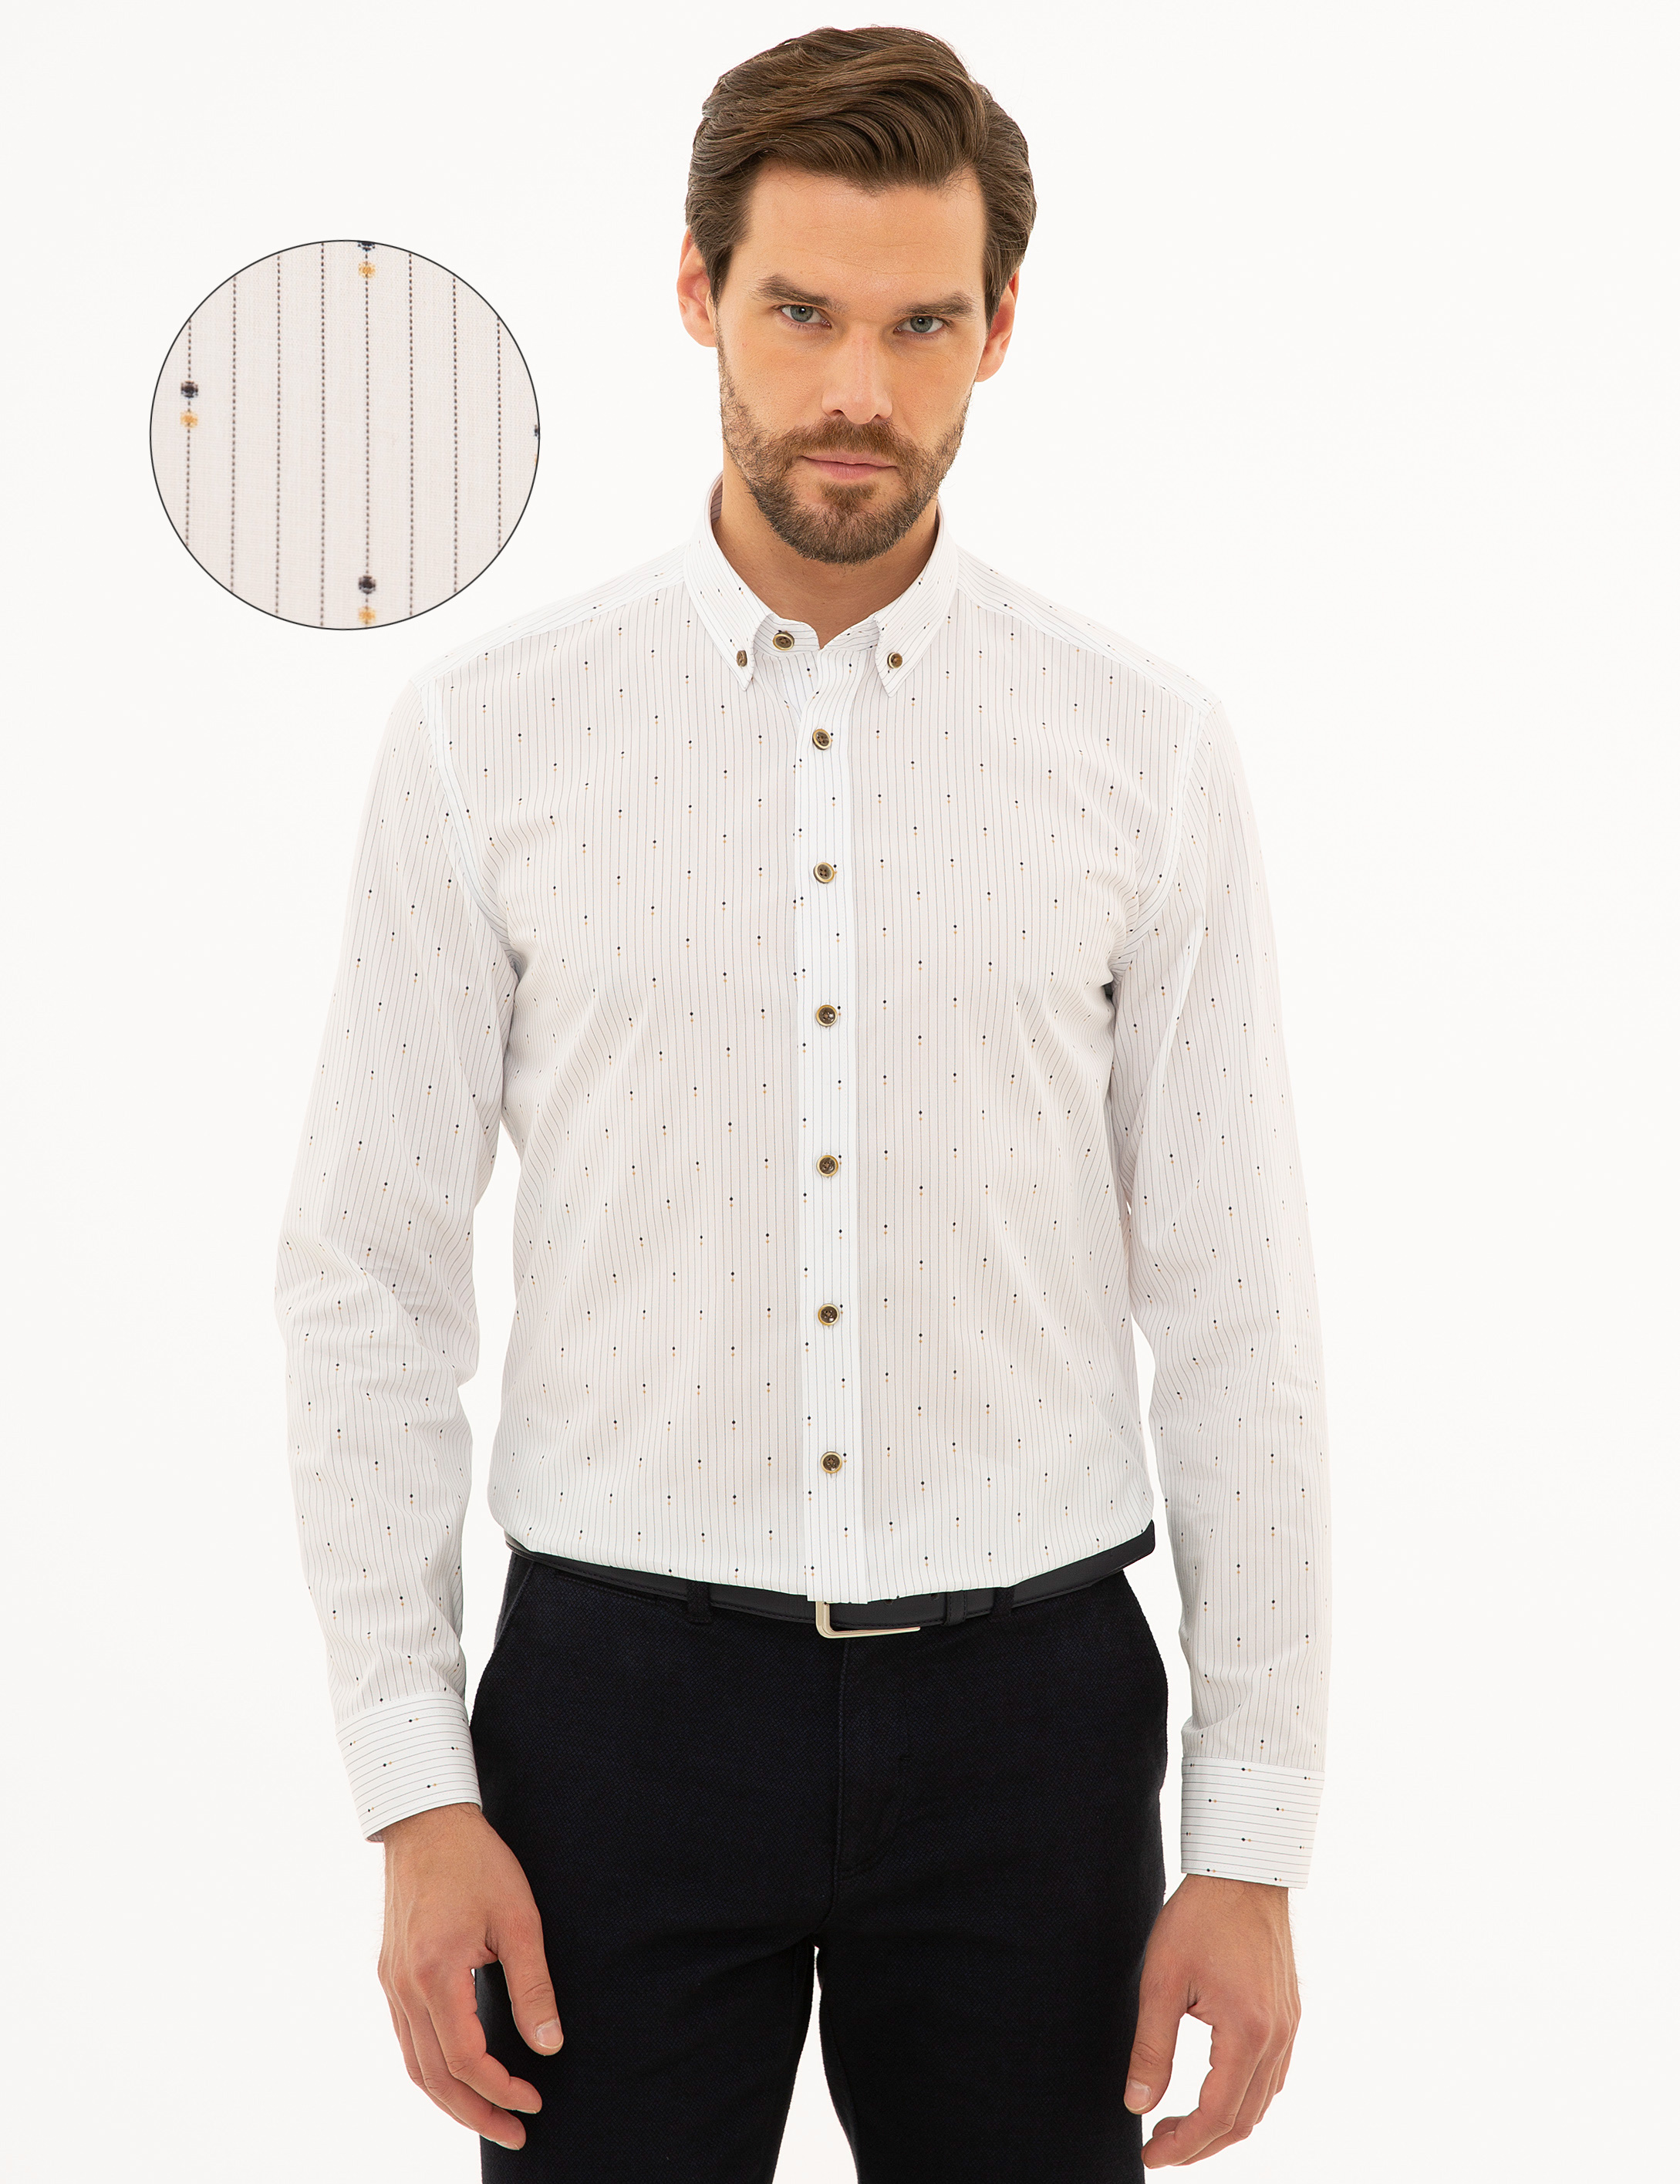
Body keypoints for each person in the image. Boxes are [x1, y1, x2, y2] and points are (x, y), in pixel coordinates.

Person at [273, 25, 1331, 2181]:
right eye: (801, 312)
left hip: (1032, 1731)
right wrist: (415, 1791)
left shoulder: (1143, 752)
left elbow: (1237, 1308)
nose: (858, 388)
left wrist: (1249, 1839)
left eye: (921, 323)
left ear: (1000, 327)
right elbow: (364, 1270)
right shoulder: (489, 737)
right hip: (611, 1723)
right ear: (698, 293)